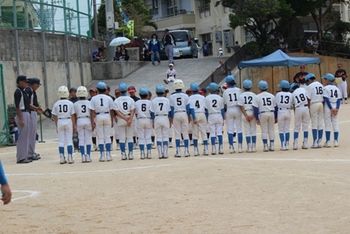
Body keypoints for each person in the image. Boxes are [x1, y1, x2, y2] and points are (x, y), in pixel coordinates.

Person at [89, 82, 114, 162]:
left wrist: (92, 121)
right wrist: (112, 119)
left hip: (98, 116)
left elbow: (92, 111)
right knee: (107, 136)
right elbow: (111, 110)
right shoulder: (109, 98)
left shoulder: (94, 98)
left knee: (100, 137)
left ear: (98, 90)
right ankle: (109, 155)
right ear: (105, 89)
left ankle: (102, 155)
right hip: (107, 115)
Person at [52, 86, 76, 164]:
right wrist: (74, 124)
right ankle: (70, 157)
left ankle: (62, 157)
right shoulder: (70, 103)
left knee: (61, 141)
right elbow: (73, 115)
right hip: (68, 120)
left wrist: (56, 125)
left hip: (60, 120)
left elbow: (54, 115)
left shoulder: (56, 104)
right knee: (69, 140)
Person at [113, 82, 136, 160]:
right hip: (129, 117)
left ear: (119, 90)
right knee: (130, 137)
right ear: (126, 90)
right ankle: (130, 154)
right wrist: (129, 119)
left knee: (122, 138)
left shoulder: (116, 100)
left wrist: (124, 118)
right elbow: (133, 110)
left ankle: (123, 154)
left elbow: (117, 111)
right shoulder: (130, 99)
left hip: (121, 119)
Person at [253, 80, 277, 152]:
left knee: (264, 130)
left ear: (259, 88)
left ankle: (265, 146)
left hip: (263, 113)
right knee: (271, 130)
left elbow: (256, 109)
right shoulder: (272, 96)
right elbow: (275, 107)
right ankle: (272, 145)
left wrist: (257, 118)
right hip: (271, 112)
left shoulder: (257, 97)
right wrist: (276, 117)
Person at [169, 79, 190, 157]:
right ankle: (186, 151)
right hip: (184, 113)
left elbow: (171, 109)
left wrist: (171, 117)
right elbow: (188, 108)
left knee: (177, 133)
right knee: (185, 133)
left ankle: (178, 151)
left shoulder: (171, 96)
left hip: (176, 113)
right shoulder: (185, 96)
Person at [223, 75, 243, 153]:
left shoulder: (226, 91)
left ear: (227, 83)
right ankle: (240, 147)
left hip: (229, 109)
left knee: (230, 129)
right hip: (237, 108)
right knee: (239, 129)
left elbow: (224, 103)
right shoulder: (239, 90)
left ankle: (231, 147)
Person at [14, 75, 32, 164]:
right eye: (25, 82)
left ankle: (25, 155)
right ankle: (21, 157)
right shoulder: (18, 92)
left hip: (26, 112)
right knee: (22, 136)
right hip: (22, 113)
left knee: (26, 135)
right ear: (20, 82)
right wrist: (21, 118)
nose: (26, 84)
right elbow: (17, 106)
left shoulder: (23, 91)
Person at [26, 78, 44, 160]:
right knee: (31, 133)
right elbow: (28, 103)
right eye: (37, 85)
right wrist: (37, 108)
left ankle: (31, 151)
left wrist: (38, 108)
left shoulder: (31, 91)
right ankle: (30, 153)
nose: (38, 87)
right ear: (33, 84)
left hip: (33, 112)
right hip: (30, 112)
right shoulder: (28, 90)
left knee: (33, 134)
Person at [151, 85, 171, 159]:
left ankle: (160, 153)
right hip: (165, 117)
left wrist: (153, 122)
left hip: (157, 117)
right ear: (163, 92)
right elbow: (170, 111)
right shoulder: (167, 100)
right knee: (165, 135)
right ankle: (165, 153)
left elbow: (152, 113)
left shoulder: (153, 100)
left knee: (158, 136)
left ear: (156, 92)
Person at [188, 83, 209, 156]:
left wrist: (193, 118)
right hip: (202, 113)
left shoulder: (189, 98)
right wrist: (206, 117)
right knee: (204, 132)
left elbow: (191, 109)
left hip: (195, 114)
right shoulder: (203, 97)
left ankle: (196, 150)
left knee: (195, 133)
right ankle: (206, 149)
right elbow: (206, 109)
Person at [205, 82, 225, 155]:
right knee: (219, 132)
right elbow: (222, 109)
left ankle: (213, 148)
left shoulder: (207, 98)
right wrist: (223, 117)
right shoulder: (220, 98)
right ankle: (221, 148)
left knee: (212, 133)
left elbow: (206, 109)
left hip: (211, 115)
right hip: (218, 114)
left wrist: (207, 118)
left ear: (210, 90)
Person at [305, 73, 324, 148]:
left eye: (307, 81)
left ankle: (315, 142)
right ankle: (320, 142)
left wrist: (309, 108)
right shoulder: (320, 84)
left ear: (310, 79)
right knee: (320, 123)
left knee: (314, 123)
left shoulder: (310, 86)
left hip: (314, 103)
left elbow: (308, 98)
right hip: (320, 103)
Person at [74, 86, 92, 163]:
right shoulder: (89, 102)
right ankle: (88, 155)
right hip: (87, 119)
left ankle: (83, 156)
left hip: (79, 119)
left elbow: (74, 114)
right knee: (88, 138)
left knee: (81, 138)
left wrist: (74, 124)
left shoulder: (75, 104)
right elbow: (92, 113)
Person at [322, 73, 341, 147]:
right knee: (335, 123)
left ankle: (328, 141)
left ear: (328, 80)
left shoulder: (326, 88)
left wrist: (330, 108)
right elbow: (339, 99)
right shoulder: (337, 88)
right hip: (335, 104)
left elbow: (326, 99)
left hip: (328, 106)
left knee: (327, 124)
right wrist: (337, 108)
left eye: (325, 79)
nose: (324, 81)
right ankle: (336, 141)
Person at [238, 79, 257, 153]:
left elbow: (241, 106)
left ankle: (249, 147)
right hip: (253, 112)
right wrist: (253, 115)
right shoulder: (254, 95)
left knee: (247, 131)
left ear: (243, 87)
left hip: (245, 112)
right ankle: (254, 147)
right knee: (253, 130)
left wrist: (246, 115)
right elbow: (256, 107)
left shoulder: (241, 95)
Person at [290, 83, 310, 150]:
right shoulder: (303, 89)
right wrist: (308, 108)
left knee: (297, 127)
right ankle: (305, 143)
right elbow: (308, 98)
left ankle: (295, 144)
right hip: (305, 107)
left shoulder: (293, 93)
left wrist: (295, 113)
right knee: (305, 127)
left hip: (298, 108)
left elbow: (293, 104)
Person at [135, 87, 153, 159]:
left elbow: (136, 113)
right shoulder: (150, 102)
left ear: (139, 94)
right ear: (147, 95)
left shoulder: (136, 102)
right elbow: (151, 112)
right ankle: (149, 153)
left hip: (140, 119)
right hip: (148, 119)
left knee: (141, 137)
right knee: (148, 137)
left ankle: (142, 153)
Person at [275, 80, 293, 151]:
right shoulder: (290, 94)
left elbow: (276, 104)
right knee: (287, 129)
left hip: (281, 111)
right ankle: (287, 144)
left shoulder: (278, 94)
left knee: (281, 130)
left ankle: (283, 145)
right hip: (288, 111)